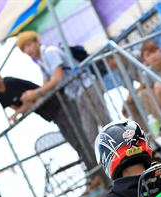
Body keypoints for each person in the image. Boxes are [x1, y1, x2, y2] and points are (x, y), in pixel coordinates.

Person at [16, 30, 109, 185]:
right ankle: (109, 169)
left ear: (37, 41)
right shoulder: (41, 62)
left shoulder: (50, 52)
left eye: (29, 45)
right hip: (77, 94)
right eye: (24, 48)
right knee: (90, 135)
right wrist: (29, 99)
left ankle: (129, 152)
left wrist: (36, 93)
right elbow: (47, 85)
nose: (28, 50)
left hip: (86, 86)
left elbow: (57, 78)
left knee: (106, 123)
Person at [0, 62, 87, 161]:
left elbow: (30, 102)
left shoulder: (11, 82)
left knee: (80, 137)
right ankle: (90, 164)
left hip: (59, 104)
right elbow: (19, 108)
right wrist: (20, 110)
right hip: (51, 115)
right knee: (74, 141)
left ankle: (92, 165)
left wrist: (17, 112)